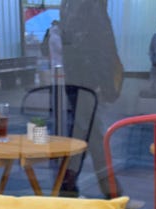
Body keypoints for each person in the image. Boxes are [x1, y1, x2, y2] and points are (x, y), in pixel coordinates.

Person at [59, 0, 124, 198]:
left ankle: (70, 185)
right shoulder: (90, 5)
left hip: (77, 77)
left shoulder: (70, 5)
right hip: (87, 80)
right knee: (89, 132)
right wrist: (103, 81)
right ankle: (108, 190)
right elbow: (99, 42)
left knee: (88, 132)